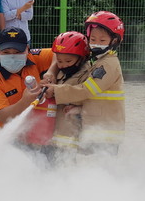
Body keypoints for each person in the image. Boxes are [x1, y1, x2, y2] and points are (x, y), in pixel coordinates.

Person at [43, 11, 125, 155]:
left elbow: (86, 90)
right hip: (97, 127)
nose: (96, 44)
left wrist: (55, 91)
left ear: (114, 41)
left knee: (100, 172)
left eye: (102, 40)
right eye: (92, 39)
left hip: (104, 132)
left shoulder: (108, 65)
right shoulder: (99, 61)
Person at [0, 27, 53, 133]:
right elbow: (4, 117)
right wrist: (26, 100)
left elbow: (60, 53)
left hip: (35, 131)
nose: (12, 56)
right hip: (4, 136)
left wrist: (51, 73)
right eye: (6, 52)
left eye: (18, 52)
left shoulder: (33, 58)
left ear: (27, 49)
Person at [48, 31, 91, 151]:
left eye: (68, 61)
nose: (63, 65)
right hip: (58, 132)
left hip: (74, 133)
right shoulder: (61, 72)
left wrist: (79, 108)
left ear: (82, 58)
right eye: (59, 61)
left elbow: (90, 98)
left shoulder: (87, 75)